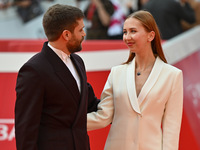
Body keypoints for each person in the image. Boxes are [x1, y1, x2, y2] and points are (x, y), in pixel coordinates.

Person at [87, 10, 183, 150]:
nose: (127, 37)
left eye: (133, 31)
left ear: (150, 35)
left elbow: (172, 128)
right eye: (125, 32)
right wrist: (65, 123)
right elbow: (104, 116)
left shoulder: (173, 75)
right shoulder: (116, 73)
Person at [15, 4, 99, 150]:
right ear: (66, 35)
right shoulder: (34, 70)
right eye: (80, 30)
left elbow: (91, 104)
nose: (84, 34)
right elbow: (26, 129)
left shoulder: (78, 62)